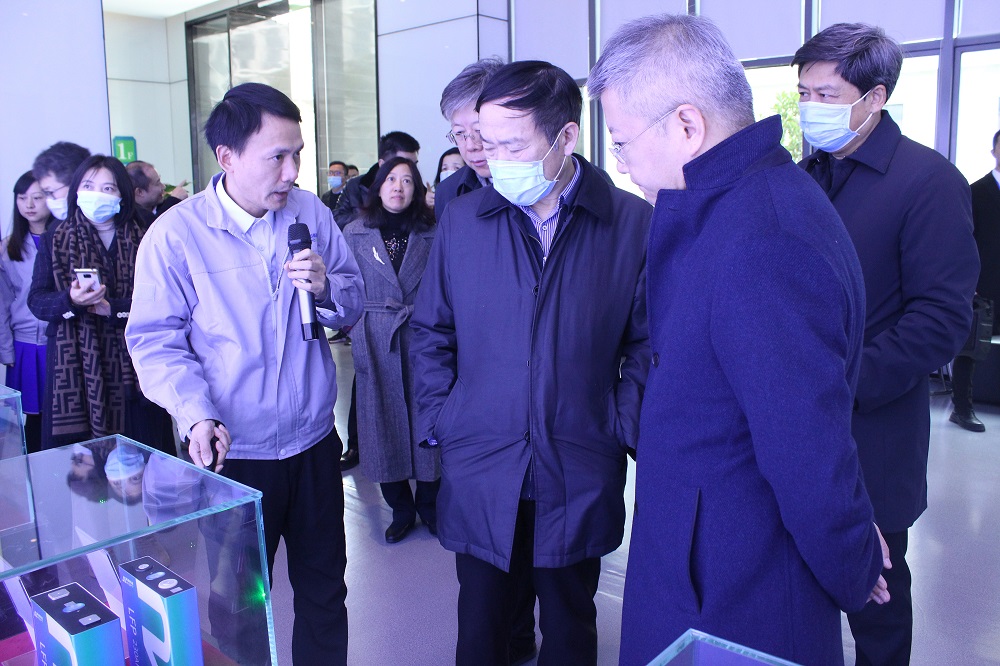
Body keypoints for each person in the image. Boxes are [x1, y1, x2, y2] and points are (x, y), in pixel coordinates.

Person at [588, 14, 892, 665]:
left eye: (621, 141)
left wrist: (852, 557)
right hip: (699, 554)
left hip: (736, 586)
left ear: (687, 125)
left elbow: (805, 444)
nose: (620, 162)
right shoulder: (731, 204)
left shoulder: (763, 238)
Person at [410, 60, 651, 666]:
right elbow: (432, 331)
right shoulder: (465, 220)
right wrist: (444, 419)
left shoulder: (629, 223)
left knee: (569, 625)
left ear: (566, 136)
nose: (493, 161)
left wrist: (618, 423)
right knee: (482, 625)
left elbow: (648, 343)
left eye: (512, 146)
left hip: (577, 456)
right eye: (484, 144)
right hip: (481, 455)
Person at [124, 82, 363, 665]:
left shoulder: (310, 212)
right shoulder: (177, 235)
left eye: (297, 154)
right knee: (239, 605)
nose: (292, 172)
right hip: (234, 456)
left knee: (325, 591)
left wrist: (326, 290)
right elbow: (155, 341)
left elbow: (354, 298)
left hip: (312, 445)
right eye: (277, 157)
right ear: (227, 157)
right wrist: (195, 413)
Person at [795, 24, 980, 665]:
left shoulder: (928, 182)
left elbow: (941, 319)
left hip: (871, 432)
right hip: (798, 424)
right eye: (803, 93)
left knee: (876, 601)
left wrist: (841, 382)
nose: (810, 108)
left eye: (825, 95)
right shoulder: (807, 175)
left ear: (874, 97)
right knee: (796, 591)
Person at [26, 155, 174, 454]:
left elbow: (166, 300)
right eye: (88, 186)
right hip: (78, 369)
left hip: (136, 366)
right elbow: (37, 300)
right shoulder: (57, 235)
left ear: (123, 194)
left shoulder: (147, 231)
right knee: (85, 469)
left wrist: (114, 308)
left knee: (146, 460)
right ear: (76, 190)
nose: (96, 195)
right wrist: (71, 300)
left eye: (108, 188)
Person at [343, 157, 438, 543]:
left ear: (417, 189)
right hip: (375, 337)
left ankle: (430, 505)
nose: (398, 187)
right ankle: (401, 509)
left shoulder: (433, 231)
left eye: (408, 181)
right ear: (378, 186)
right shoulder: (354, 232)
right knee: (380, 424)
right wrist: (354, 327)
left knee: (428, 422)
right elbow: (343, 285)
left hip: (423, 336)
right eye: (391, 179)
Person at [951, 128, 1000, 432]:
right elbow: (962, 240)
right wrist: (969, 282)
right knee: (969, 348)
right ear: (994, 151)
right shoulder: (976, 192)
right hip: (984, 284)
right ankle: (962, 408)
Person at [0, 172, 53, 452]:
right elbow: (2, 304)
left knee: (63, 419)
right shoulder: (8, 248)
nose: (29, 205)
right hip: (24, 345)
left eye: (37, 197)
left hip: (59, 341)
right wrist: (6, 350)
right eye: (22, 198)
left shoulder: (66, 238)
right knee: (31, 422)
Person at [434, 58, 505, 220]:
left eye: (479, 131)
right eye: (459, 133)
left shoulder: (539, 184)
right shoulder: (447, 192)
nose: (471, 146)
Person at [332, 131, 420, 230]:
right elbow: (337, 220)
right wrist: (373, 215)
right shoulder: (356, 186)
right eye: (402, 162)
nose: (411, 169)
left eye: (414, 164)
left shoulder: (418, 187)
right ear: (382, 164)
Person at [33, 141, 91, 222]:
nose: (49, 199)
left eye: (49, 192)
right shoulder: (56, 228)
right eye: (46, 193)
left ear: (75, 184)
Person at [125, 161, 189, 227]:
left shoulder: (161, 205)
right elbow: (153, 228)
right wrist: (173, 201)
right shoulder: (128, 219)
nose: (163, 186)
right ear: (140, 192)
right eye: (157, 183)